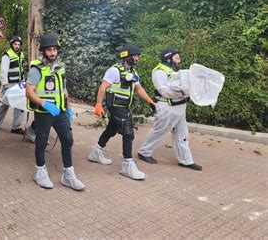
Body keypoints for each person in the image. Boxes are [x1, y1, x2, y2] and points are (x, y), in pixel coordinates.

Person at [88, 45, 156, 181]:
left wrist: (150, 101)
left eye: (138, 56)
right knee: (128, 132)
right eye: (134, 55)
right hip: (115, 105)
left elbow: (138, 89)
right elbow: (103, 87)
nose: (137, 58)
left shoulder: (134, 72)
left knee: (111, 129)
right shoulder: (114, 71)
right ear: (126, 55)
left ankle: (96, 151)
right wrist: (98, 104)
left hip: (124, 107)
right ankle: (127, 164)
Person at [26, 33, 85, 191]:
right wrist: (44, 103)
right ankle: (40, 172)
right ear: (43, 51)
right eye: (49, 50)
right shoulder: (36, 69)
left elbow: (63, 89)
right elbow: (29, 91)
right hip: (44, 113)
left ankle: (68, 175)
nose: (52, 53)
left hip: (60, 112)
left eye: (55, 50)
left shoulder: (60, 68)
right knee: (41, 141)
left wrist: (69, 107)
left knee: (67, 140)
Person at [138, 48, 202, 171]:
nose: (179, 60)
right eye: (177, 57)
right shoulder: (159, 71)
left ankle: (186, 160)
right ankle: (144, 152)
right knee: (159, 131)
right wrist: (184, 91)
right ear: (168, 58)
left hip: (180, 108)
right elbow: (164, 91)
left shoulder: (177, 71)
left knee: (182, 135)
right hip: (167, 108)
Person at [0, 35, 26, 134]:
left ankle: (16, 127)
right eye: (15, 44)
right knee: (5, 104)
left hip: (19, 84)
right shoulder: (7, 55)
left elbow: (22, 69)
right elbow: (3, 71)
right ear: (11, 44)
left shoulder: (21, 54)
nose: (17, 46)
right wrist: (5, 84)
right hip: (9, 84)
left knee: (20, 104)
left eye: (18, 44)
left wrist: (23, 81)